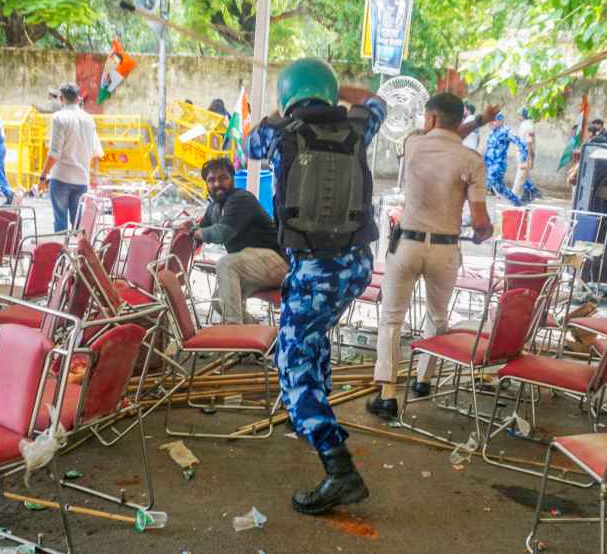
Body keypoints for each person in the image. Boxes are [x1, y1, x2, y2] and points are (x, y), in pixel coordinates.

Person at [246, 57, 384, 516]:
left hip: (314, 269)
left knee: (292, 361)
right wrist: (339, 89)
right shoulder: (359, 126)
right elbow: (376, 100)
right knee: (312, 336)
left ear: (288, 97)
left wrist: (285, 105)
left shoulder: (278, 133)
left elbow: (249, 141)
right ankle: (308, 412)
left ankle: (337, 466)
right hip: (357, 265)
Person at [368, 93, 494, 416]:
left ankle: (388, 394)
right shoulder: (472, 160)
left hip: (407, 244)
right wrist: (483, 232)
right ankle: (423, 379)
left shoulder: (413, 144)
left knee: (391, 319)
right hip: (445, 249)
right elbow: (481, 222)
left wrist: (475, 122)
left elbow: (443, 137)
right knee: (437, 317)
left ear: (431, 119)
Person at [186, 157, 287, 324]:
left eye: (222, 178)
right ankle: (258, 334)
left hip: (277, 263)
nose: (217, 183)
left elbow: (219, 234)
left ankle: (234, 333)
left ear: (232, 178)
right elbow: (200, 229)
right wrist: (187, 229)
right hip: (253, 266)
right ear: (206, 184)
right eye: (211, 180)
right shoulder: (214, 207)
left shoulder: (241, 199)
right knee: (220, 301)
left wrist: (195, 232)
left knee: (226, 263)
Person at [38, 83, 103, 232]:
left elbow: (54, 153)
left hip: (61, 178)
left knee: (60, 223)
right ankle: (75, 254)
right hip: (81, 180)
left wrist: (43, 176)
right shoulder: (89, 119)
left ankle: (62, 254)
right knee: (78, 225)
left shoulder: (59, 118)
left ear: (61, 99)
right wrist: (92, 176)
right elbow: (96, 152)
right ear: (78, 98)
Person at [483, 113, 524, 206]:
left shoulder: (506, 131)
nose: (490, 123)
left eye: (493, 121)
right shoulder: (491, 132)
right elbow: (487, 148)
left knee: (484, 185)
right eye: (490, 121)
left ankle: (474, 212)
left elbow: (519, 142)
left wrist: (524, 155)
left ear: (500, 121)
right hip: (489, 165)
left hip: (498, 164)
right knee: (501, 188)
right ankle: (517, 202)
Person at [512, 107, 540, 202]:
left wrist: (530, 156)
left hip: (525, 153)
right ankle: (530, 192)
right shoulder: (527, 124)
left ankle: (514, 195)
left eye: (519, 115)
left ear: (523, 115)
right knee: (524, 175)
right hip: (524, 153)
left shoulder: (527, 125)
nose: (518, 117)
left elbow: (529, 141)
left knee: (521, 175)